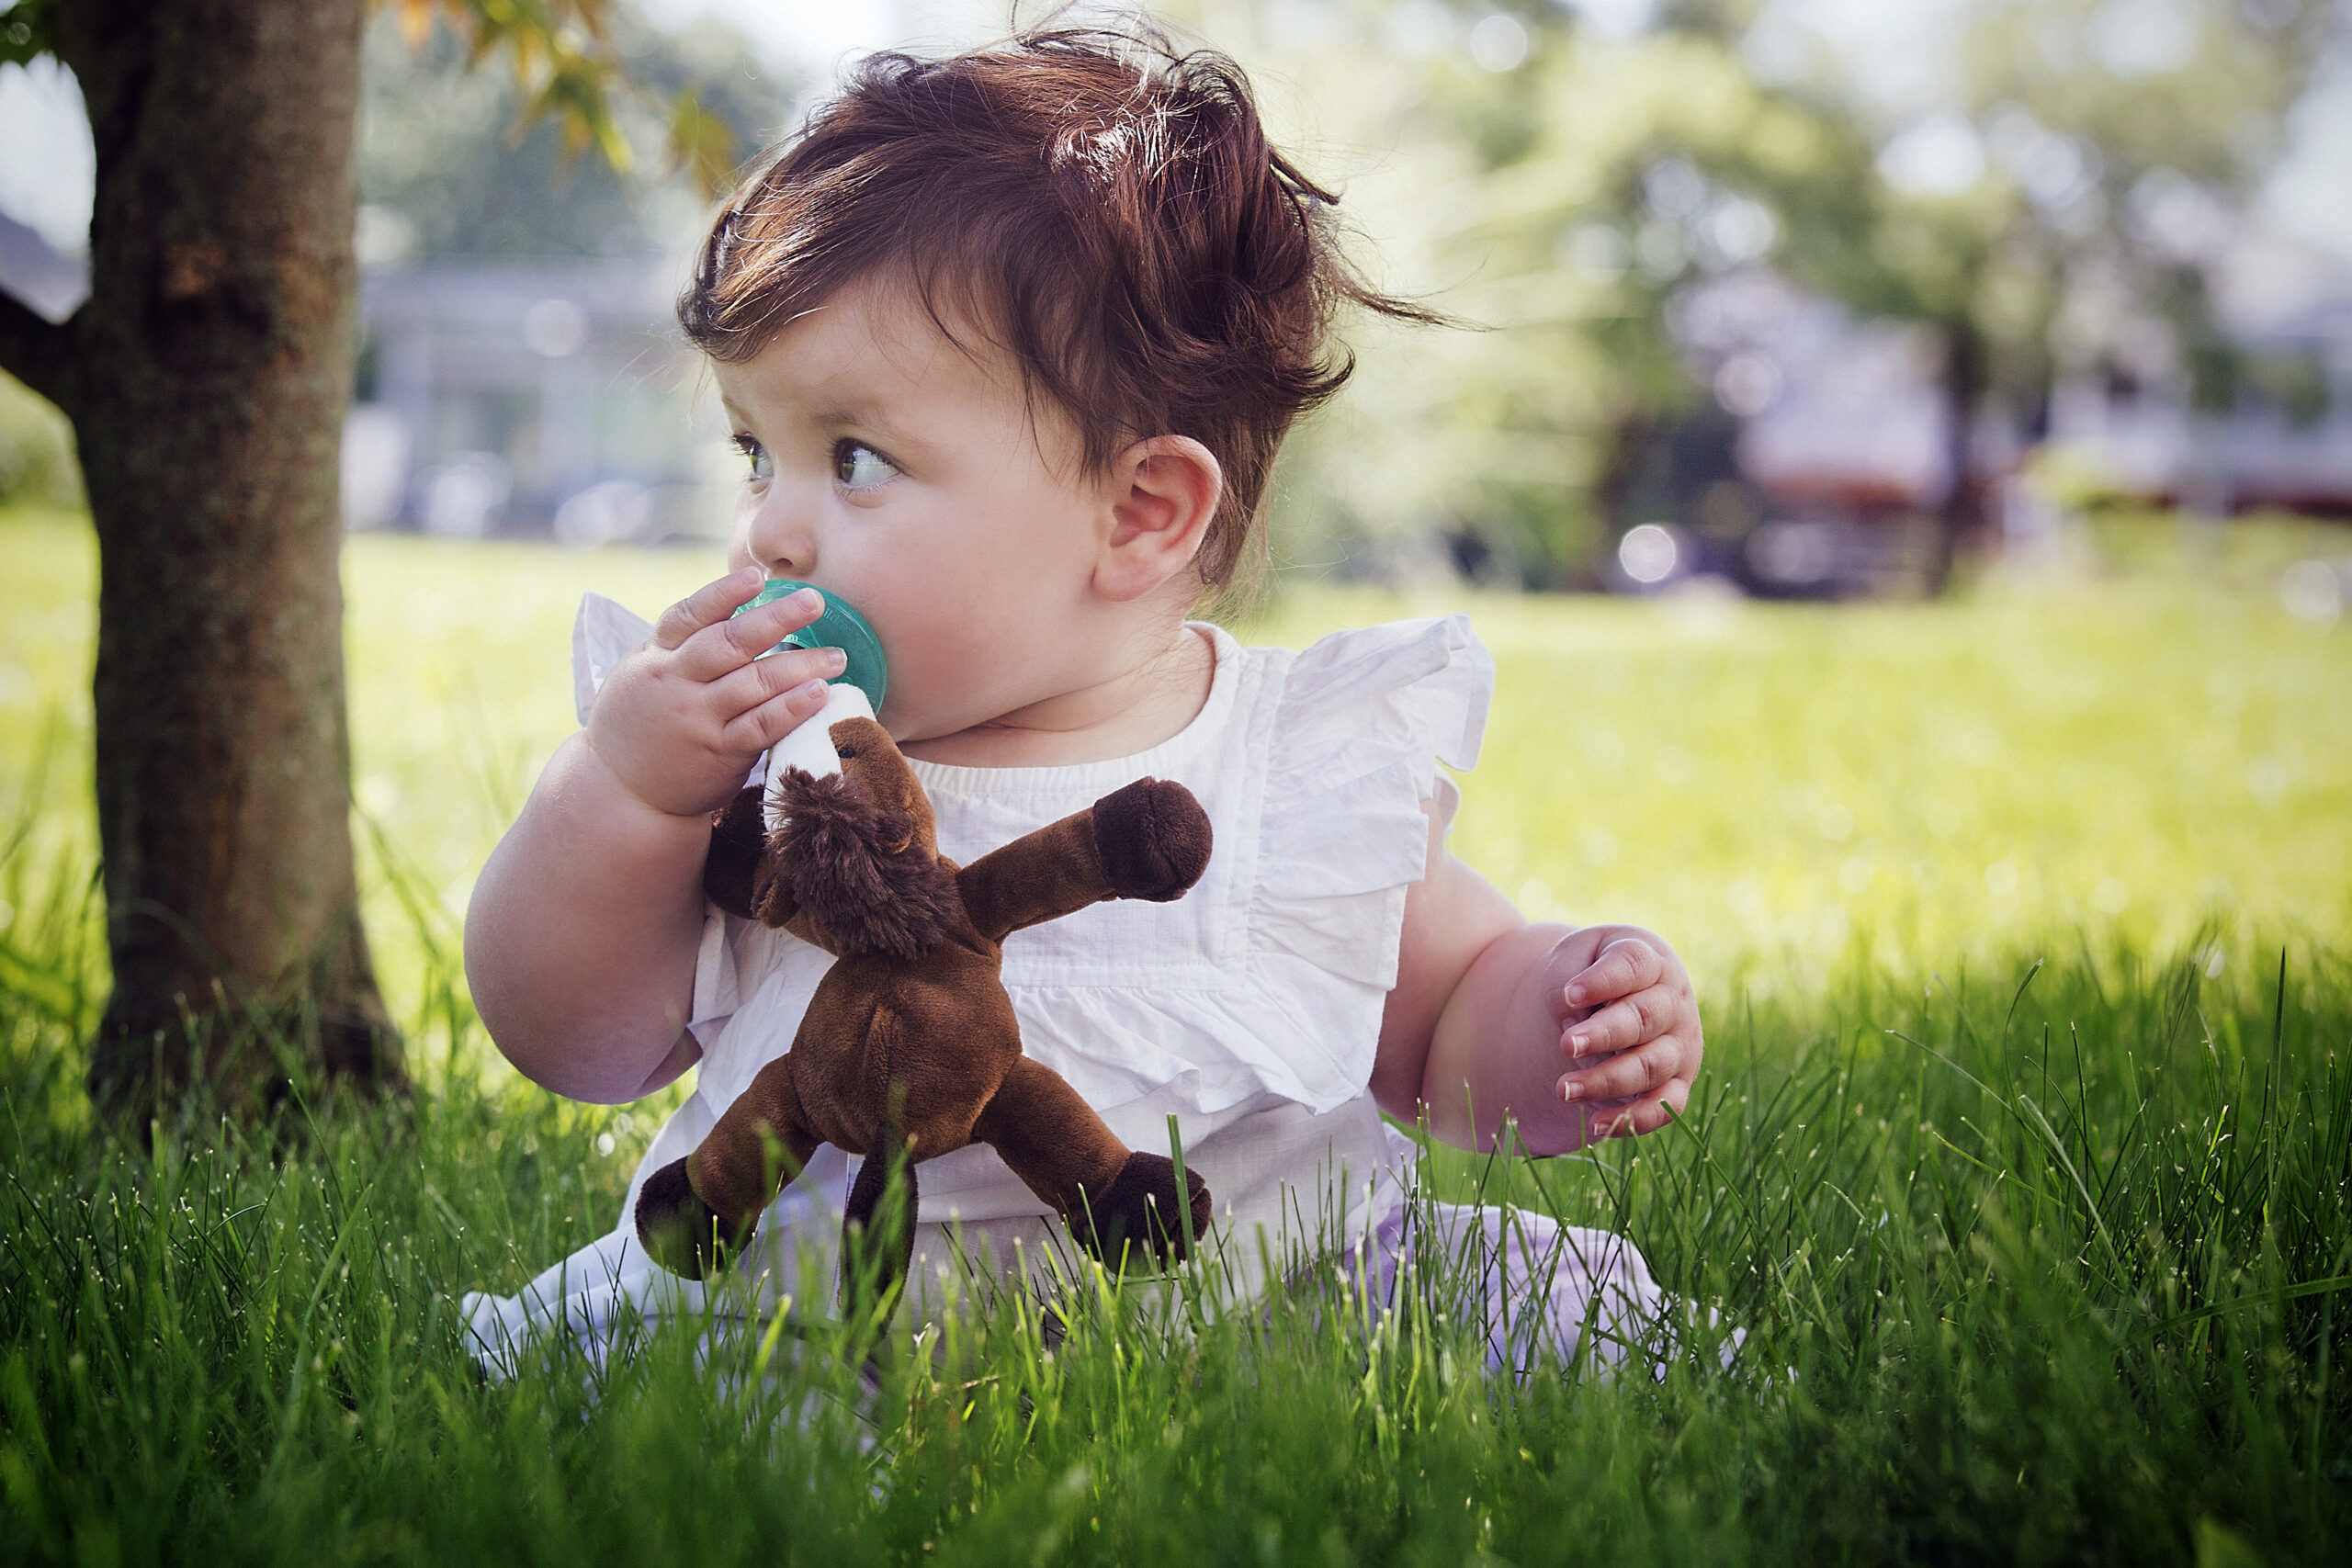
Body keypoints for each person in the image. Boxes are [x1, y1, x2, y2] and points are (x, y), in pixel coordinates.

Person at [461, 27, 1703, 1378]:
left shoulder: (1283, 773)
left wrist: (1566, 1018)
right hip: (804, 1323)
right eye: (757, 452)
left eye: (855, 459)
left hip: (1262, 1309)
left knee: (1532, 1322)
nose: (771, 529)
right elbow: (577, 1041)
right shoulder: (770, 766)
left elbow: (1445, 1024)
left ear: (1138, 513)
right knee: (690, 1393)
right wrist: (627, 796)